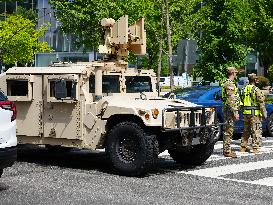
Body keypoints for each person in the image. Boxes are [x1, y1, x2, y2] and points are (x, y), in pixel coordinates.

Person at [240, 73, 267, 154]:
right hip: (254, 113)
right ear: (254, 80)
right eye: (256, 79)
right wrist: (264, 114)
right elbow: (261, 103)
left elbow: (240, 101)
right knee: (256, 130)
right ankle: (255, 148)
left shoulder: (243, 89)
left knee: (246, 130)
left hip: (245, 113)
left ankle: (243, 147)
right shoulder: (256, 90)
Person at [222, 67, 241, 158]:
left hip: (228, 109)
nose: (236, 75)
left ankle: (227, 149)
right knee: (228, 130)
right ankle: (227, 150)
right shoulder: (229, 84)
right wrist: (235, 112)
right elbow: (231, 99)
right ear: (233, 73)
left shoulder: (228, 83)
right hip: (229, 110)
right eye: (236, 73)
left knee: (229, 129)